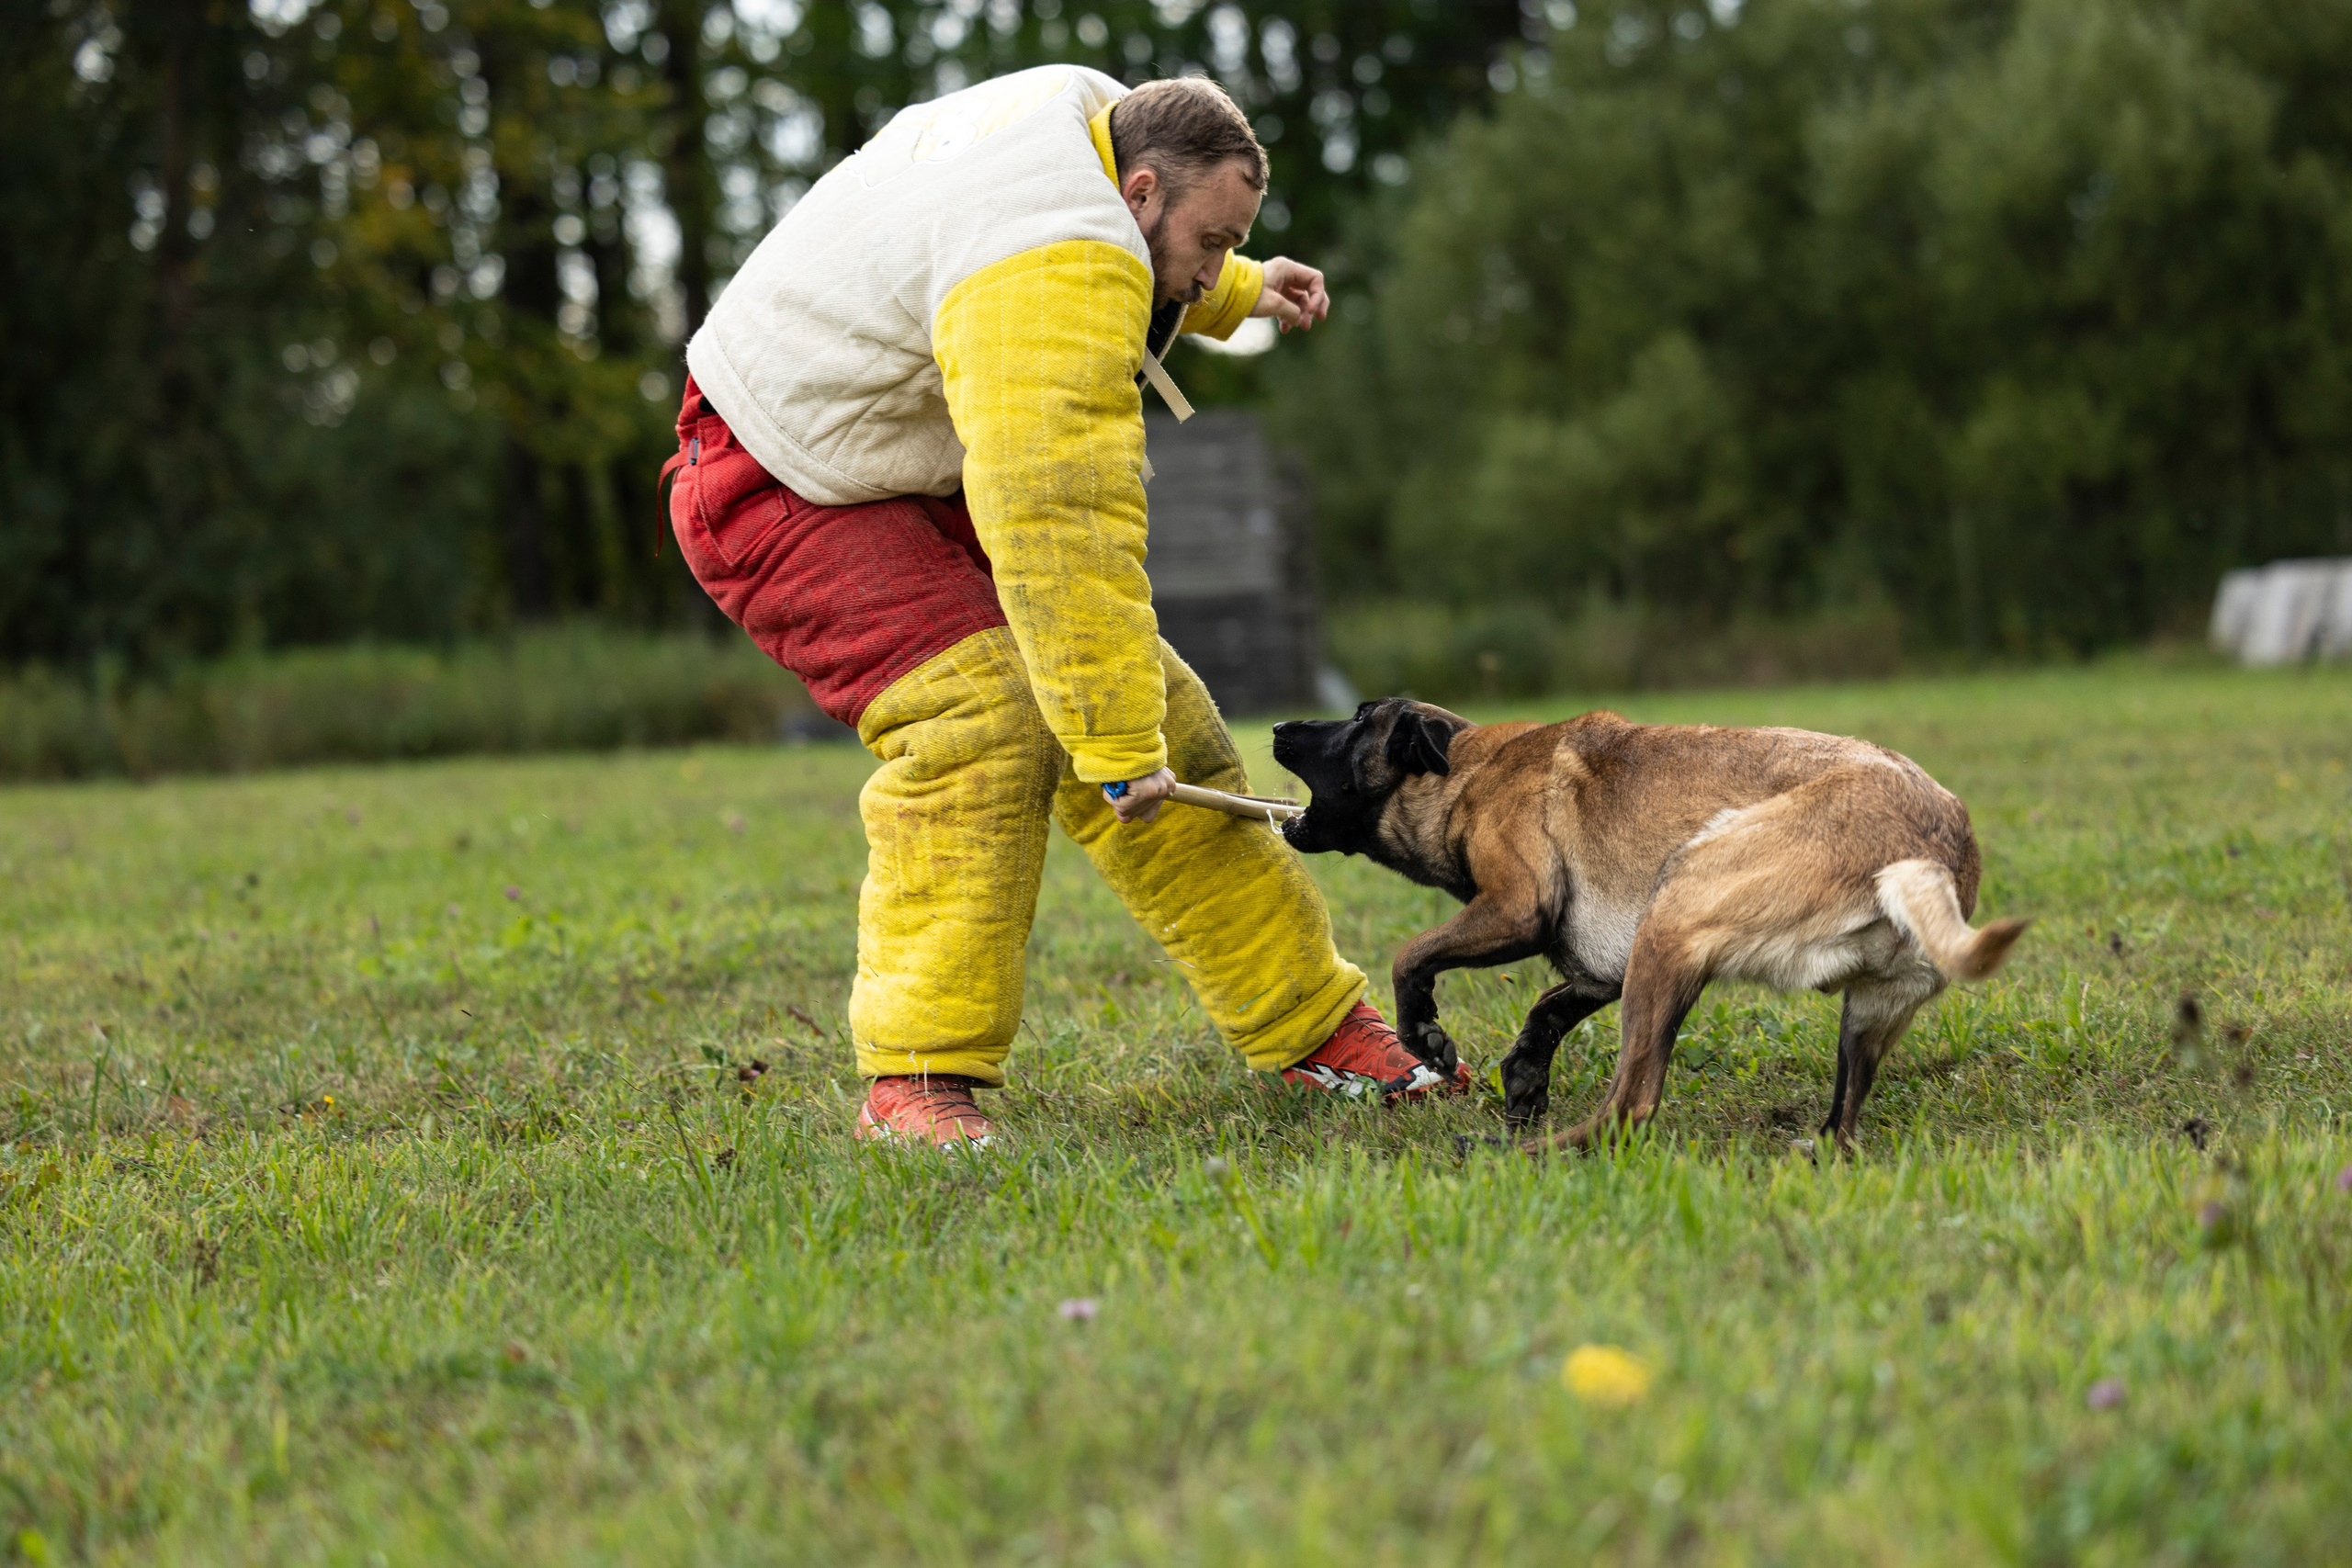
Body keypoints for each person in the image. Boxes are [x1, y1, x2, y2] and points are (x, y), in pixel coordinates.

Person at [665, 65, 1466, 1146]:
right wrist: (1112, 739)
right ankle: (911, 1082)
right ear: (1137, 195)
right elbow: (1058, 515)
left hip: (891, 467)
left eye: (1230, 243)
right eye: (1214, 246)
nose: (1212, 262)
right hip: (771, 475)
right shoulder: (1055, 264)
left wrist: (1237, 292)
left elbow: (1103, 242)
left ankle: (1314, 1029)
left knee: (1165, 716)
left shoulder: (1097, 125)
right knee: (988, 716)